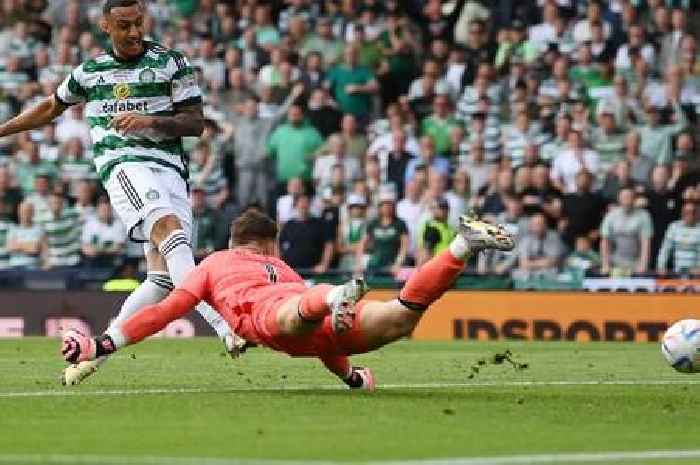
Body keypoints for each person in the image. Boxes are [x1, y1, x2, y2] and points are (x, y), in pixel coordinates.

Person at [0, 0, 239, 385]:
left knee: (162, 279)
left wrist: (150, 120)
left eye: (137, 24)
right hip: (124, 164)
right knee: (169, 231)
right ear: (105, 25)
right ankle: (226, 326)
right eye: (123, 25)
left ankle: (96, 352)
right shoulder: (90, 71)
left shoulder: (171, 62)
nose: (132, 33)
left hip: (171, 169)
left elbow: (195, 124)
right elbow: (50, 107)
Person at [61, 210, 515, 390]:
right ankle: (461, 247)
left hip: (275, 314)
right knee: (399, 318)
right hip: (317, 313)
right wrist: (350, 375)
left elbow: (165, 311)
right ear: (269, 244)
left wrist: (104, 344)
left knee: (287, 316)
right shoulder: (285, 269)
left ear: (236, 240)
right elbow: (322, 343)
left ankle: (333, 294)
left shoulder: (213, 264)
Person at [656, 202, 700, 275]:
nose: (690, 215)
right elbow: (665, 249)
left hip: (695, 270)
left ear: (697, 214)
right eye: (687, 212)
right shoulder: (674, 227)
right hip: (676, 270)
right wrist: (661, 266)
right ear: (682, 213)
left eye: (693, 212)